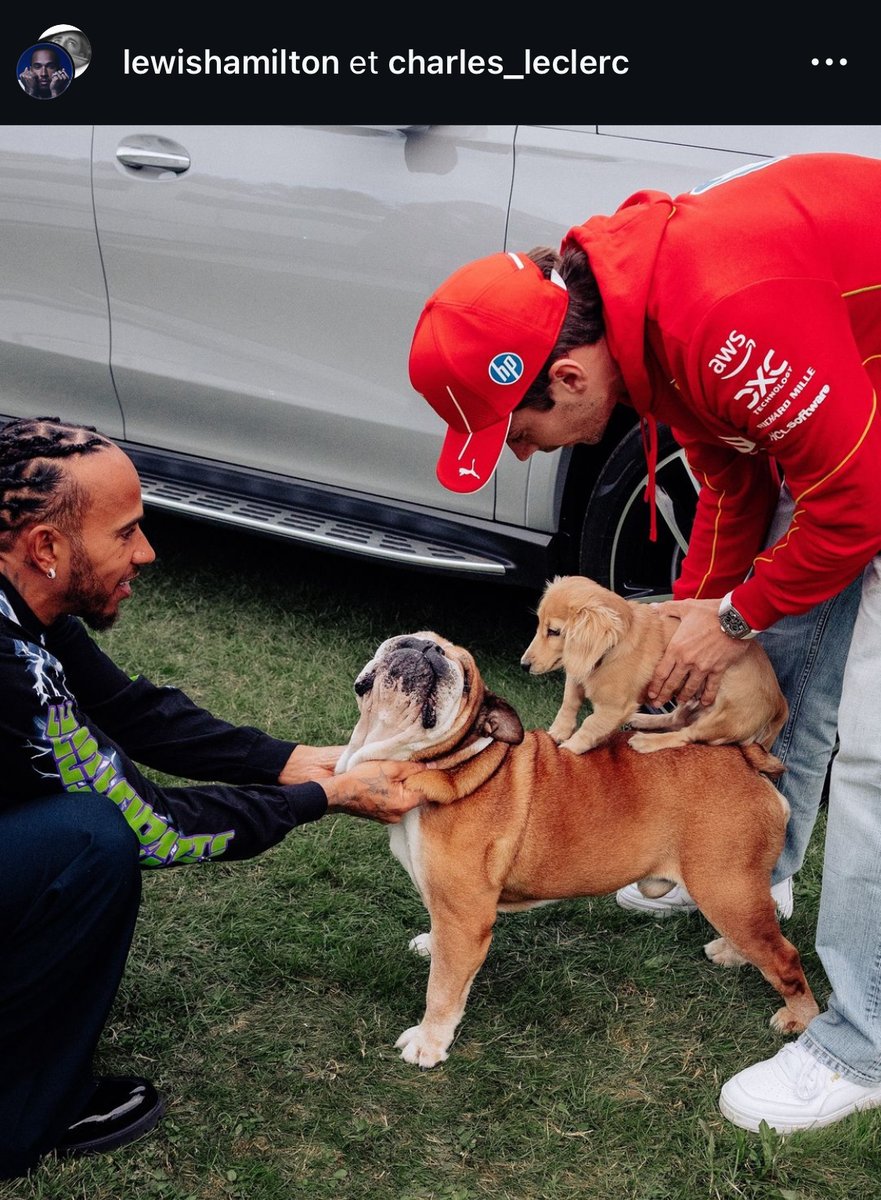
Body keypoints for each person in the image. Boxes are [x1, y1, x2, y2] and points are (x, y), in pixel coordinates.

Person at [407, 152, 881, 1134]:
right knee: (778, 663)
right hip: (851, 416)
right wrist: (698, 614)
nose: (529, 454)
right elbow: (736, 481)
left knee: (873, 755)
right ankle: (754, 863)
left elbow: (856, 504)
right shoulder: (642, 318)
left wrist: (732, 618)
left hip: (864, 458)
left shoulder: (716, 318)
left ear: (567, 376)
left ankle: (860, 1043)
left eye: (521, 433)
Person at [0, 416, 424, 1179]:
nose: (146, 552)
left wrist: (288, 761)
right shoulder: (9, 660)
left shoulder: (22, 598)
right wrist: (323, 798)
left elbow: (128, 708)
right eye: (126, 533)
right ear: (47, 548)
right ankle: (21, 1115)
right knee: (89, 841)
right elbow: (150, 829)